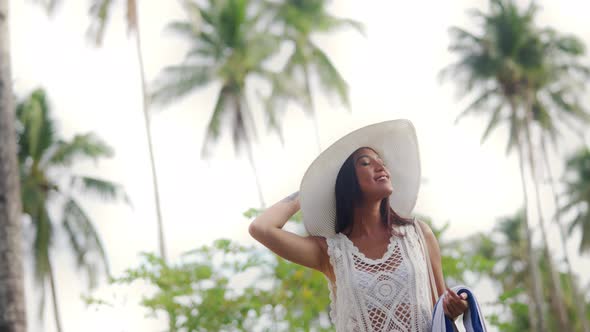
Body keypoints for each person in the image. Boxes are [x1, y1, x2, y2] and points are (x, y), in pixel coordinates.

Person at [249, 119, 468, 331]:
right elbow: (262, 228)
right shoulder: (331, 252)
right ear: (346, 180)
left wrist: (454, 308)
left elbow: (442, 309)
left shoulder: (419, 235)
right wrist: (307, 192)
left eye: (381, 161)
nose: (380, 166)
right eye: (365, 162)